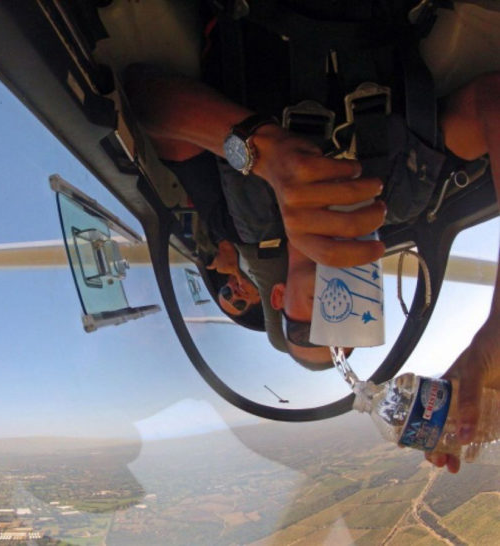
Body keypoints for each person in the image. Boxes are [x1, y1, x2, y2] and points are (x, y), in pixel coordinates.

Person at [124, 2, 500, 472]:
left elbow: (144, 102)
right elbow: (492, 104)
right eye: (349, 335)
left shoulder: (238, 223)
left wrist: (264, 154)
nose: (333, 314)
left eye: (307, 328)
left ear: (278, 295)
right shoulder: (403, 203)